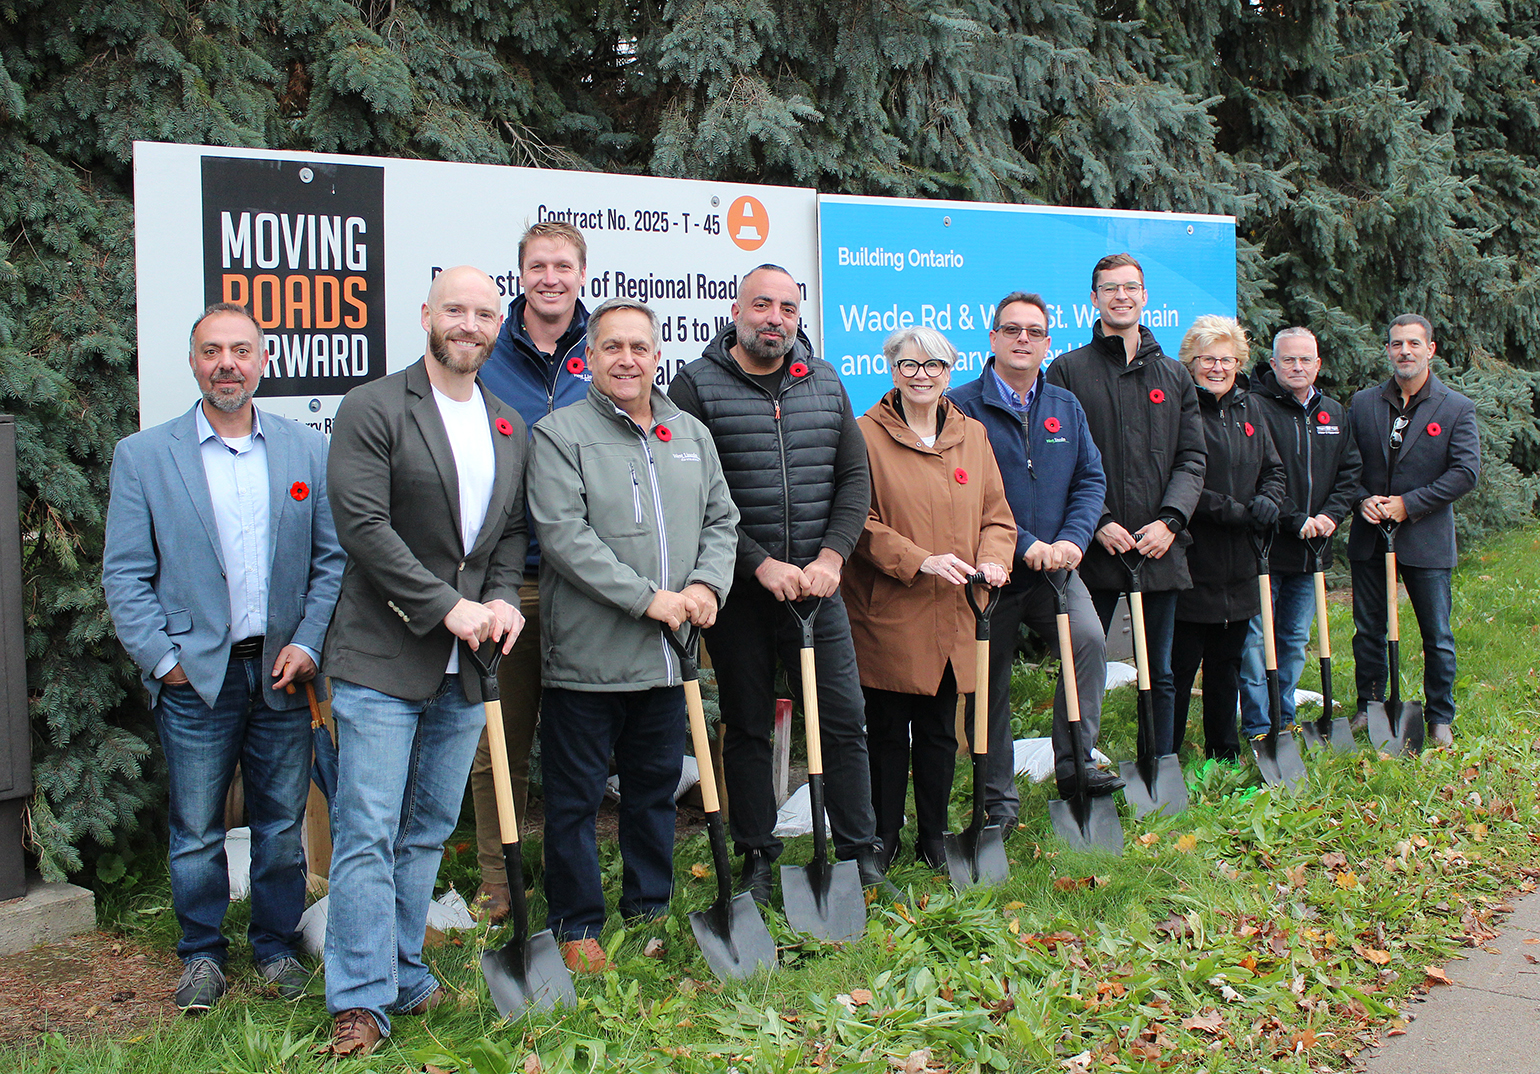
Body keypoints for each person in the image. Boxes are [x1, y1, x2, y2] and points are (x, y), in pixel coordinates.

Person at [102, 303, 345, 1013]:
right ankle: (202, 954)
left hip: (281, 669)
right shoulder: (145, 457)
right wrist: (161, 659)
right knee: (198, 827)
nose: (227, 363)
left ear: (263, 361)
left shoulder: (305, 451)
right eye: (213, 351)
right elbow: (124, 573)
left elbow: (331, 561)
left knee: (279, 824)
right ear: (194, 362)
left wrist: (308, 642)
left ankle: (272, 947)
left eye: (241, 350)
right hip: (193, 676)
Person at [321, 267, 530, 1056]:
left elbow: (510, 532)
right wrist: (448, 606)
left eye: (483, 312)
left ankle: (402, 969)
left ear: (496, 323)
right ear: (426, 317)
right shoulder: (375, 408)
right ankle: (358, 998)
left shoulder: (508, 423)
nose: (469, 324)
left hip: (466, 664)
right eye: (456, 310)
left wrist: (504, 596)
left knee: (427, 828)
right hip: (384, 653)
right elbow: (364, 527)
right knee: (368, 827)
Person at [528, 297, 738, 972]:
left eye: (639, 347)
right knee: (574, 800)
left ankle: (648, 908)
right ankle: (576, 923)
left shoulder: (690, 436)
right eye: (612, 347)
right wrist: (649, 599)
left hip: (666, 660)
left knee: (653, 794)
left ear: (657, 357)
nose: (627, 359)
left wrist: (705, 586)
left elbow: (721, 521)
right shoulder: (561, 434)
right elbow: (564, 538)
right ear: (590, 357)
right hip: (587, 659)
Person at [669, 263, 887, 905]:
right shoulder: (698, 387)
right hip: (740, 595)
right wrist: (759, 563)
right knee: (747, 726)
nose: (775, 319)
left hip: (819, 593)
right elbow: (696, 494)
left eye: (788, 308)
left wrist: (832, 558)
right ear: (736, 309)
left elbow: (854, 479)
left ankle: (858, 849)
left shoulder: (823, 380)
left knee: (845, 720)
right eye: (762, 305)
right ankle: (758, 856)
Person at [844, 327, 1015, 868]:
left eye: (934, 365)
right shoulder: (863, 435)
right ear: (891, 370)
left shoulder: (973, 435)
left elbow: (997, 516)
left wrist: (994, 559)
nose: (922, 375)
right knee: (889, 732)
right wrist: (919, 560)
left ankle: (935, 833)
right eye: (910, 365)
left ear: (949, 371)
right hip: (891, 612)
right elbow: (859, 523)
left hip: (956, 612)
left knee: (943, 731)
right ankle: (884, 835)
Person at [468, 220, 592, 922]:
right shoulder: (486, 352)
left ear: (582, 275)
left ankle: (576, 885)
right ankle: (500, 889)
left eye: (563, 266)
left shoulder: (605, 351)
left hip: (587, 581)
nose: (551, 277)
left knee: (579, 743)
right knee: (501, 743)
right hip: (507, 580)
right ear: (521, 275)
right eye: (538, 266)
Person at [950, 293, 1115, 814]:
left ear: (1048, 343)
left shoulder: (1064, 405)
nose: (1023, 340)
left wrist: (1072, 540)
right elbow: (963, 494)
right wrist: (1025, 545)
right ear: (993, 338)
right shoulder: (961, 406)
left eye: (1034, 332)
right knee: (989, 681)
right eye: (1012, 330)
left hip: (1056, 570)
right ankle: (998, 798)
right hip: (989, 573)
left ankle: (1076, 765)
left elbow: (1091, 479)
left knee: (1088, 642)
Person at [1045, 254, 1206, 758]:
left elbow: (1192, 458)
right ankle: (1076, 764)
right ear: (1093, 299)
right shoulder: (1068, 371)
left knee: (1159, 668)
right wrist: (1099, 523)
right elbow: (1058, 461)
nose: (1120, 296)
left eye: (1130, 287)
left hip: (1160, 549)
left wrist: (1171, 522)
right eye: (1109, 288)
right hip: (1095, 548)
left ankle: (1157, 764)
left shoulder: (1176, 375)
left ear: (1145, 296)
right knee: (1082, 660)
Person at [1348, 314, 1480, 748]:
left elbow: (1465, 473)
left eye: (1413, 344)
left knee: (1436, 633)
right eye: (1396, 344)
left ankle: (1440, 715)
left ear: (1430, 350)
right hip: (1371, 536)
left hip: (1425, 537)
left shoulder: (1456, 407)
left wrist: (1409, 505)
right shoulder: (1364, 404)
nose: (1404, 351)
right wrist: (1363, 498)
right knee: (1369, 629)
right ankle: (1370, 706)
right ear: (1387, 350)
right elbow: (1347, 465)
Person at [1168, 316, 1285, 760]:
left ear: (1239, 363)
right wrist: (1234, 511)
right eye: (1207, 359)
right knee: (1179, 669)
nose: (1217, 368)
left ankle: (1224, 752)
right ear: (1191, 363)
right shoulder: (1181, 410)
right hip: (1193, 560)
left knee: (1227, 667)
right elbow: (1178, 479)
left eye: (1226, 359)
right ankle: (1165, 754)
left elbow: (1273, 468)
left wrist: (1270, 501)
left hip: (1241, 563)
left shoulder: (1250, 407)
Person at [1236, 328, 1362, 736]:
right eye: (1288, 360)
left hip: (1313, 550)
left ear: (1318, 364)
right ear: (1273, 363)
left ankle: (1284, 720)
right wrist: (1294, 519)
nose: (1297, 367)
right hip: (1266, 548)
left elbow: (1350, 472)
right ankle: (1258, 724)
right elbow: (1254, 476)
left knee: (1293, 640)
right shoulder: (1254, 407)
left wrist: (1330, 516)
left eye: (1306, 359)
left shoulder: (1333, 413)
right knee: (1257, 643)